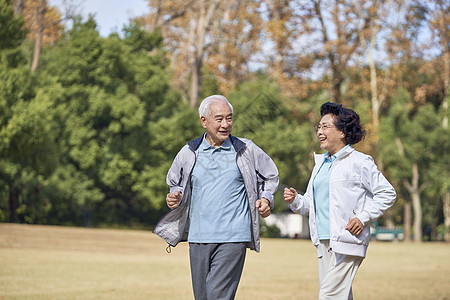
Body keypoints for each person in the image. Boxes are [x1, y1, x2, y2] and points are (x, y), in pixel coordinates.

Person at [154, 95, 279, 300]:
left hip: (233, 236)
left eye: (229, 118)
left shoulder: (246, 149)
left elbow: (270, 175)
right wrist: (173, 196)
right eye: (219, 119)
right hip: (198, 237)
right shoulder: (189, 151)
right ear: (204, 121)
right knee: (202, 297)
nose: (225, 124)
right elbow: (174, 182)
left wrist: (265, 199)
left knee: (217, 296)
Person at [284, 102, 396, 300]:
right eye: (318, 126)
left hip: (348, 241)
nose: (319, 131)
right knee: (341, 296)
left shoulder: (360, 161)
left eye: (325, 126)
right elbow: (310, 204)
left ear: (342, 132)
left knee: (329, 296)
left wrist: (362, 217)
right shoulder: (320, 165)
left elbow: (387, 193)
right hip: (323, 241)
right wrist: (296, 200)